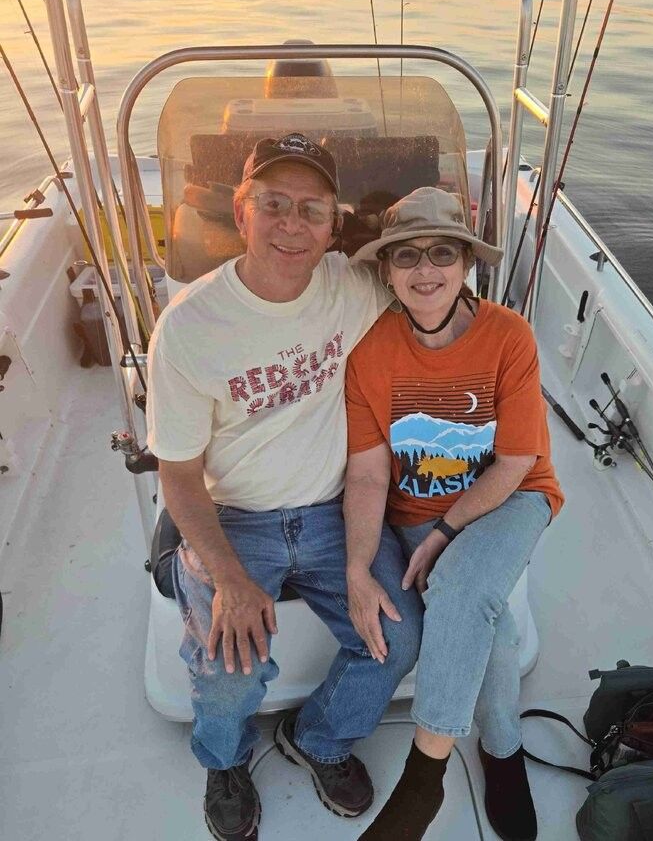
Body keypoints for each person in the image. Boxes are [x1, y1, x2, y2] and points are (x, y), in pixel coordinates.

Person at [146, 133, 423, 841]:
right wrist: (230, 577)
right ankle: (225, 757)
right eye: (274, 204)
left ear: (335, 225)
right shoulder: (188, 328)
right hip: (235, 515)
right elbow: (178, 472)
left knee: (400, 632)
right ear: (240, 213)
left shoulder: (349, 284)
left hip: (334, 509)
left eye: (312, 209)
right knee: (230, 663)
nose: (292, 224)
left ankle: (320, 736)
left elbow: (430, 279)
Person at [343, 186, 564, 841]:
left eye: (443, 251)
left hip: (513, 497)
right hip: (413, 507)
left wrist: (445, 532)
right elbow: (366, 471)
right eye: (406, 255)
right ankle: (503, 753)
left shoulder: (509, 336)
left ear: (466, 261)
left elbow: (517, 462)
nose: (425, 269)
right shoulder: (370, 351)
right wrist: (358, 565)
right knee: (485, 622)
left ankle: (423, 778)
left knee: (461, 583)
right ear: (386, 270)